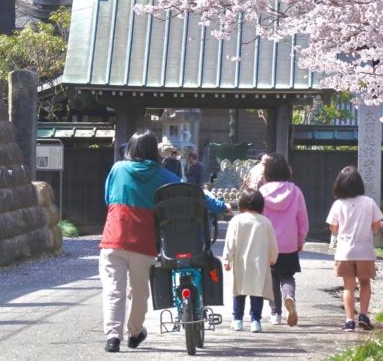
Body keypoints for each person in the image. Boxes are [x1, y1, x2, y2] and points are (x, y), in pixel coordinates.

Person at [100, 130, 228, 353]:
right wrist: (220, 206)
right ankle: (135, 331)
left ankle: (113, 338)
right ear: (154, 152)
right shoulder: (163, 175)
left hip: (113, 239)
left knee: (113, 290)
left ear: (130, 149)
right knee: (139, 291)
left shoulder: (117, 169)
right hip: (143, 244)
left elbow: (107, 198)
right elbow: (192, 192)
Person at [325, 166, 383, 332]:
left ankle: (349, 320)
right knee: (365, 283)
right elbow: (377, 225)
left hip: (345, 251)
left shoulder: (338, 204)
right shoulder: (369, 202)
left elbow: (334, 228)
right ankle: (363, 316)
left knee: (348, 287)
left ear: (339, 185)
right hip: (365, 250)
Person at [258, 153, 309, 327]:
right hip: (289, 243)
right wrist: (301, 240)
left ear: (268, 172)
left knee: (272, 278)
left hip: (268, 244)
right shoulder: (295, 191)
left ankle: (275, 314)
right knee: (287, 276)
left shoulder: (262, 192)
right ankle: (289, 296)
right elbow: (302, 220)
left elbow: (258, 219)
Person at [223, 188, 279, 333]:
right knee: (256, 292)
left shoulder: (237, 220)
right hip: (259, 263)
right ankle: (255, 321)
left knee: (239, 291)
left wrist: (227, 259)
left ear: (242, 204)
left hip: (241, 263)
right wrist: (272, 258)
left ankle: (238, 320)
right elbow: (272, 244)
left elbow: (230, 242)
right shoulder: (266, 222)